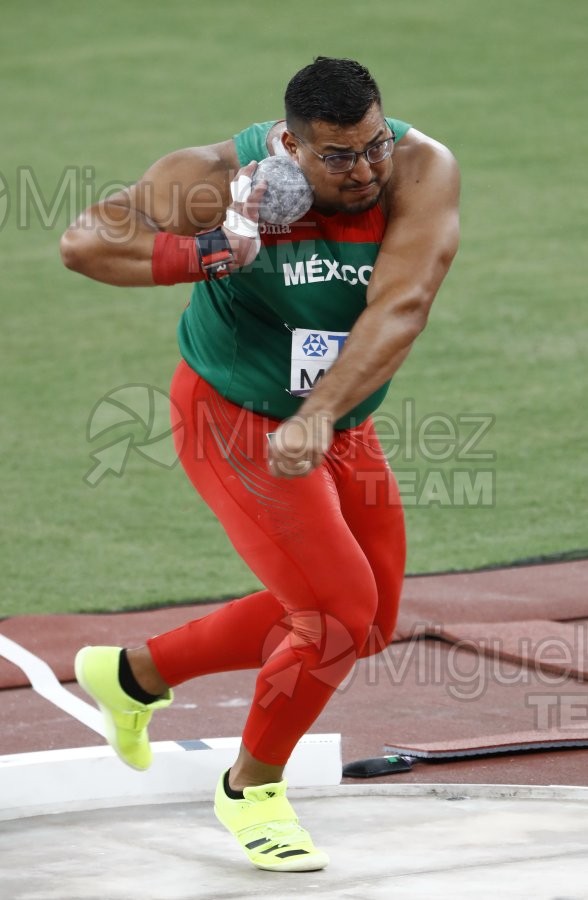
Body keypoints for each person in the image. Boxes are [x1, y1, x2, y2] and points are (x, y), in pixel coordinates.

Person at [61, 56, 460, 872]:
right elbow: (83, 244)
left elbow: (403, 306)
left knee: (371, 623)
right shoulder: (213, 176)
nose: (367, 171)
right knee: (337, 616)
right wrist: (210, 251)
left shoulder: (421, 170)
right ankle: (252, 787)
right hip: (230, 416)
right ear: (292, 146)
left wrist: (320, 416)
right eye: (340, 158)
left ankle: (133, 676)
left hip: (334, 419)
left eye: (374, 145)